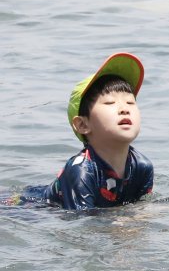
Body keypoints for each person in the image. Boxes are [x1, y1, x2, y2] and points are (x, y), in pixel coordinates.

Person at [7, 52, 153, 210]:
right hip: (30, 209)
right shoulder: (81, 170)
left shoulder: (142, 166)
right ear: (83, 125)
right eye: (110, 103)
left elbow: (141, 207)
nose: (124, 109)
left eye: (130, 102)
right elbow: (82, 224)